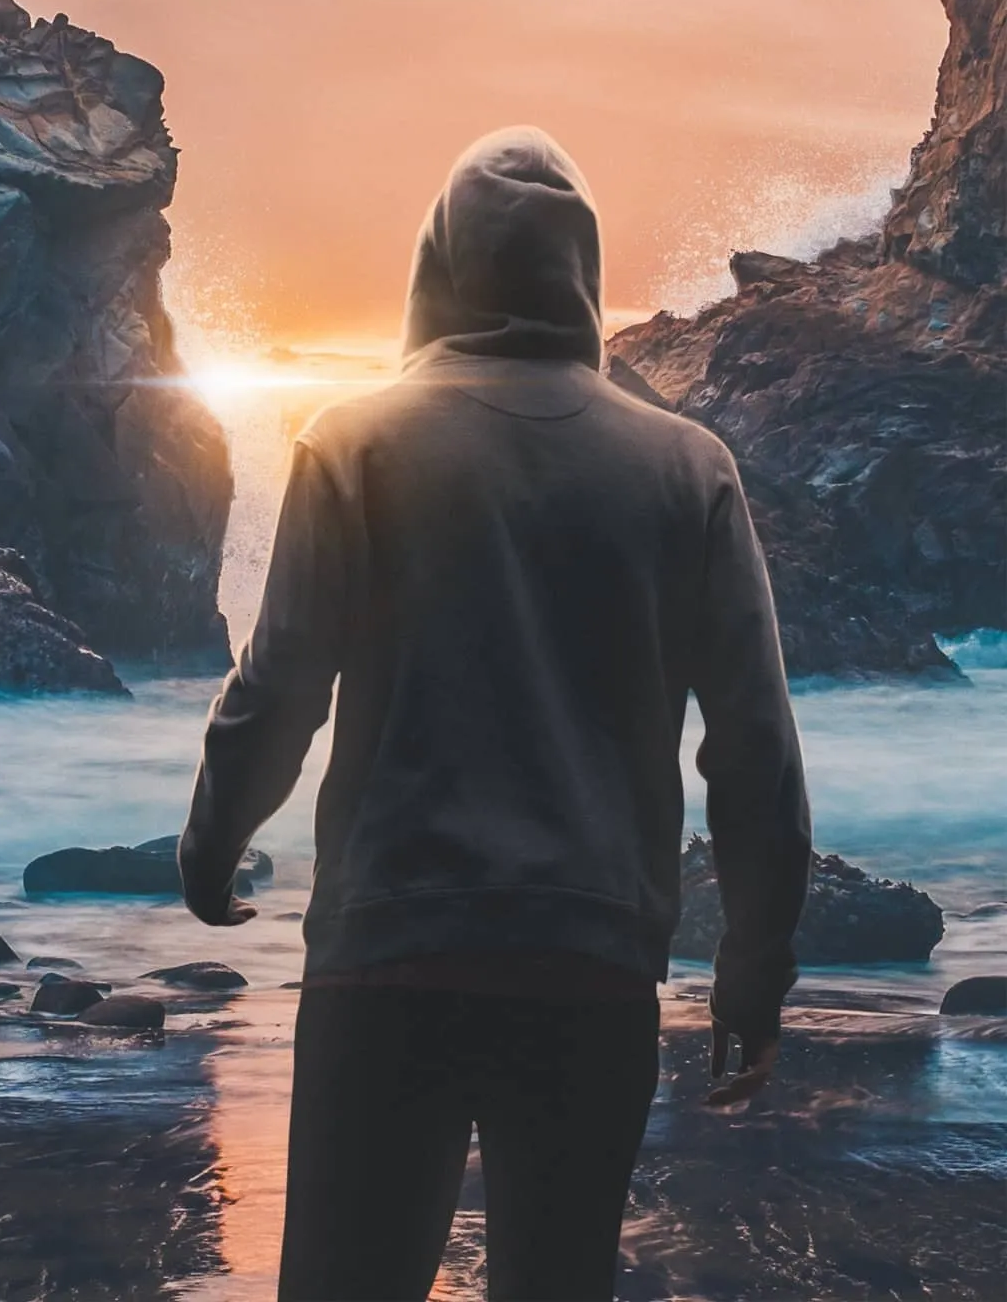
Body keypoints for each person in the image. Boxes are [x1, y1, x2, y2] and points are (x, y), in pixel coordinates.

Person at [178, 126, 813, 1302]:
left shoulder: (350, 445)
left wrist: (212, 848)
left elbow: (277, 690)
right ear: (582, 273)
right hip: (591, 973)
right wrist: (751, 974)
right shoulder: (689, 469)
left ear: (437, 266)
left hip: (387, 961)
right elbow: (756, 749)